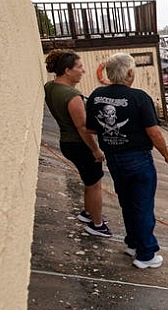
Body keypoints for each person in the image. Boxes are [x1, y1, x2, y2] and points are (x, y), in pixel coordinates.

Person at [86, 52, 168, 269]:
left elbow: (90, 127)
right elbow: (154, 132)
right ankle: (146, 254)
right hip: (137, 159)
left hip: (114, 158)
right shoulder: (139, 97)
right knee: (143, 206)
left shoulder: (96, 95)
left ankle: (133, 243)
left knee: (127, 203)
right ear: (129, 73)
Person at [43, 49, 113, 238]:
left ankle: (88, 213)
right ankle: (97, 225)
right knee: (95, 184)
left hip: (66, 142)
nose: (83, 71)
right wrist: (96, 150)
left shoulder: (49, 87)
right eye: (79, 67)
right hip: (79, 144)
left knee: (89, 181)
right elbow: (82, 128)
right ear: (67, 70)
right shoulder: (72, 96)